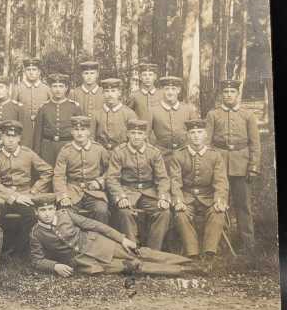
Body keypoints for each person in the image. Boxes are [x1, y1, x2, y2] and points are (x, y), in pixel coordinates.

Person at [29, 194, 196, 277]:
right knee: (134, 266)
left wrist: (122, 239)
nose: (47, 214)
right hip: (84, 262)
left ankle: (191, 265)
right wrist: (55, 266)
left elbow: (96, 225)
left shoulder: (66, 214)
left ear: (55, 209)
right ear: (36, 212)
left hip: (98, 244)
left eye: (50, 209)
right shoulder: (36, 234)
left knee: (140, 252)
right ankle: (182, 271)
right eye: (42, 210)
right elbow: (37, 260)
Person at [205, 79, 261, 254]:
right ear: (222, 94)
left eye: (232, 92)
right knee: (219, 202)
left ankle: (247, 242)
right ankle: (221, 241)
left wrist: (253, 166)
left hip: (241, 165)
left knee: (243, 205)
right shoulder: (213, 114)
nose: (228, 95)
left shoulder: (247, 115)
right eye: (226, 92)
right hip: (219, 165)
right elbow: (207, 142)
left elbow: (255, 143)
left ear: (238, 94)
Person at [0, 120, 53, 256]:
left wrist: (34, 191)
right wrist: (15, 197)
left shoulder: (28, 154)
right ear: (1, 137)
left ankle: (20, 251)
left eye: (14, 137)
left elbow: (48, 171)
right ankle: (0, 249)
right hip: (4, 196)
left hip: (26, 195)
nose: (10, 140)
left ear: (19, 138)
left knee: (30, 215)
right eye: (7, 136)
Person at [106, 119, 171, 250]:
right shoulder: (119, 152)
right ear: (128, 134)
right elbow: (112, 178)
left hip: (149, 192)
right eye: (133, 133)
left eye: (140, 133)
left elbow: (162, 178)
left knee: (164, 212)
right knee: (124, 212)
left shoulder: (154, 152)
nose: (136, 136)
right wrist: (121, 197)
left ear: (145, 135)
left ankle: (153, 251)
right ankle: (132, 249)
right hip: (127, 191)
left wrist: (163, 197)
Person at [169, 119, 229, 262]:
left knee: (217, 213)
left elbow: (221, 182)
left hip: (208, 197)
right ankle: (193, 255)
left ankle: (209, 255)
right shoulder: (178, 155)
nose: (196, 136)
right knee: (181, 214)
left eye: (199, 132)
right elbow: (175, 182)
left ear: (205, 135)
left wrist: (219, 200)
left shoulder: (215, 155)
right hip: (187, 197)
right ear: (187, 135)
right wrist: (178, 200)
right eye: (192, 132)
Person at [53, 115, 110, 225]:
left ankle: (99, 241)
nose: (80, 133)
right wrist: (63, 195)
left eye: (83, 130)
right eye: (76, 129)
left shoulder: (99, 149)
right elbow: (58, 175)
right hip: (72, 191)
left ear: (88, 132)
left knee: (101, 210)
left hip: (94, 193)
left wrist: (100, 181)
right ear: (72, 132)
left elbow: (111, 171)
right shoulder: (65, 151)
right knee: (65, 212)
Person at [32, 73, 82, 165]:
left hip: (67, 146)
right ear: (50, 88)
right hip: (47, 148)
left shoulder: (74, 107)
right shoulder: (44, 107)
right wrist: (37, 152)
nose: (58, 90)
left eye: (61, 86)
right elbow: (38, 132)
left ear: (66, 88)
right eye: (54, 86)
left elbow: (80, 131)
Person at [149, 76, 199, 165]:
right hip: (161, 155)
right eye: (167, 89)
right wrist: (154, 152)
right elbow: (146, 134)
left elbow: (197, 133)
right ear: (162, 90)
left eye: (173, 89)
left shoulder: (188, 109)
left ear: (178, 90)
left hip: (185, 155)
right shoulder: (153, 110)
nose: (170, 92)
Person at [12, 57, 50, 148]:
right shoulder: (17, 88)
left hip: (42, 128)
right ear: (24, 72)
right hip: (23, 127)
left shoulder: (46, 89)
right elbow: (13, 109)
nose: (31, 72)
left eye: (34, 69)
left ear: (39, 72)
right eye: (28, 69)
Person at [92, 78, 137, 151]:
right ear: (103, 93)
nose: (110, 94)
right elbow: (91, 138)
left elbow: (133, 138)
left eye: (113, 91)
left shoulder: (129, 113)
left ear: (119, 93)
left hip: (122, 154)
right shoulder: (96, 114)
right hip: (100, 153)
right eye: (106, 91)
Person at [0, 75, 26, 156]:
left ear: (7, 89)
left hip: (14, 151)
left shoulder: (18, 108)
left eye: (1, 87)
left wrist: (22, 153)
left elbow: (25, 134)